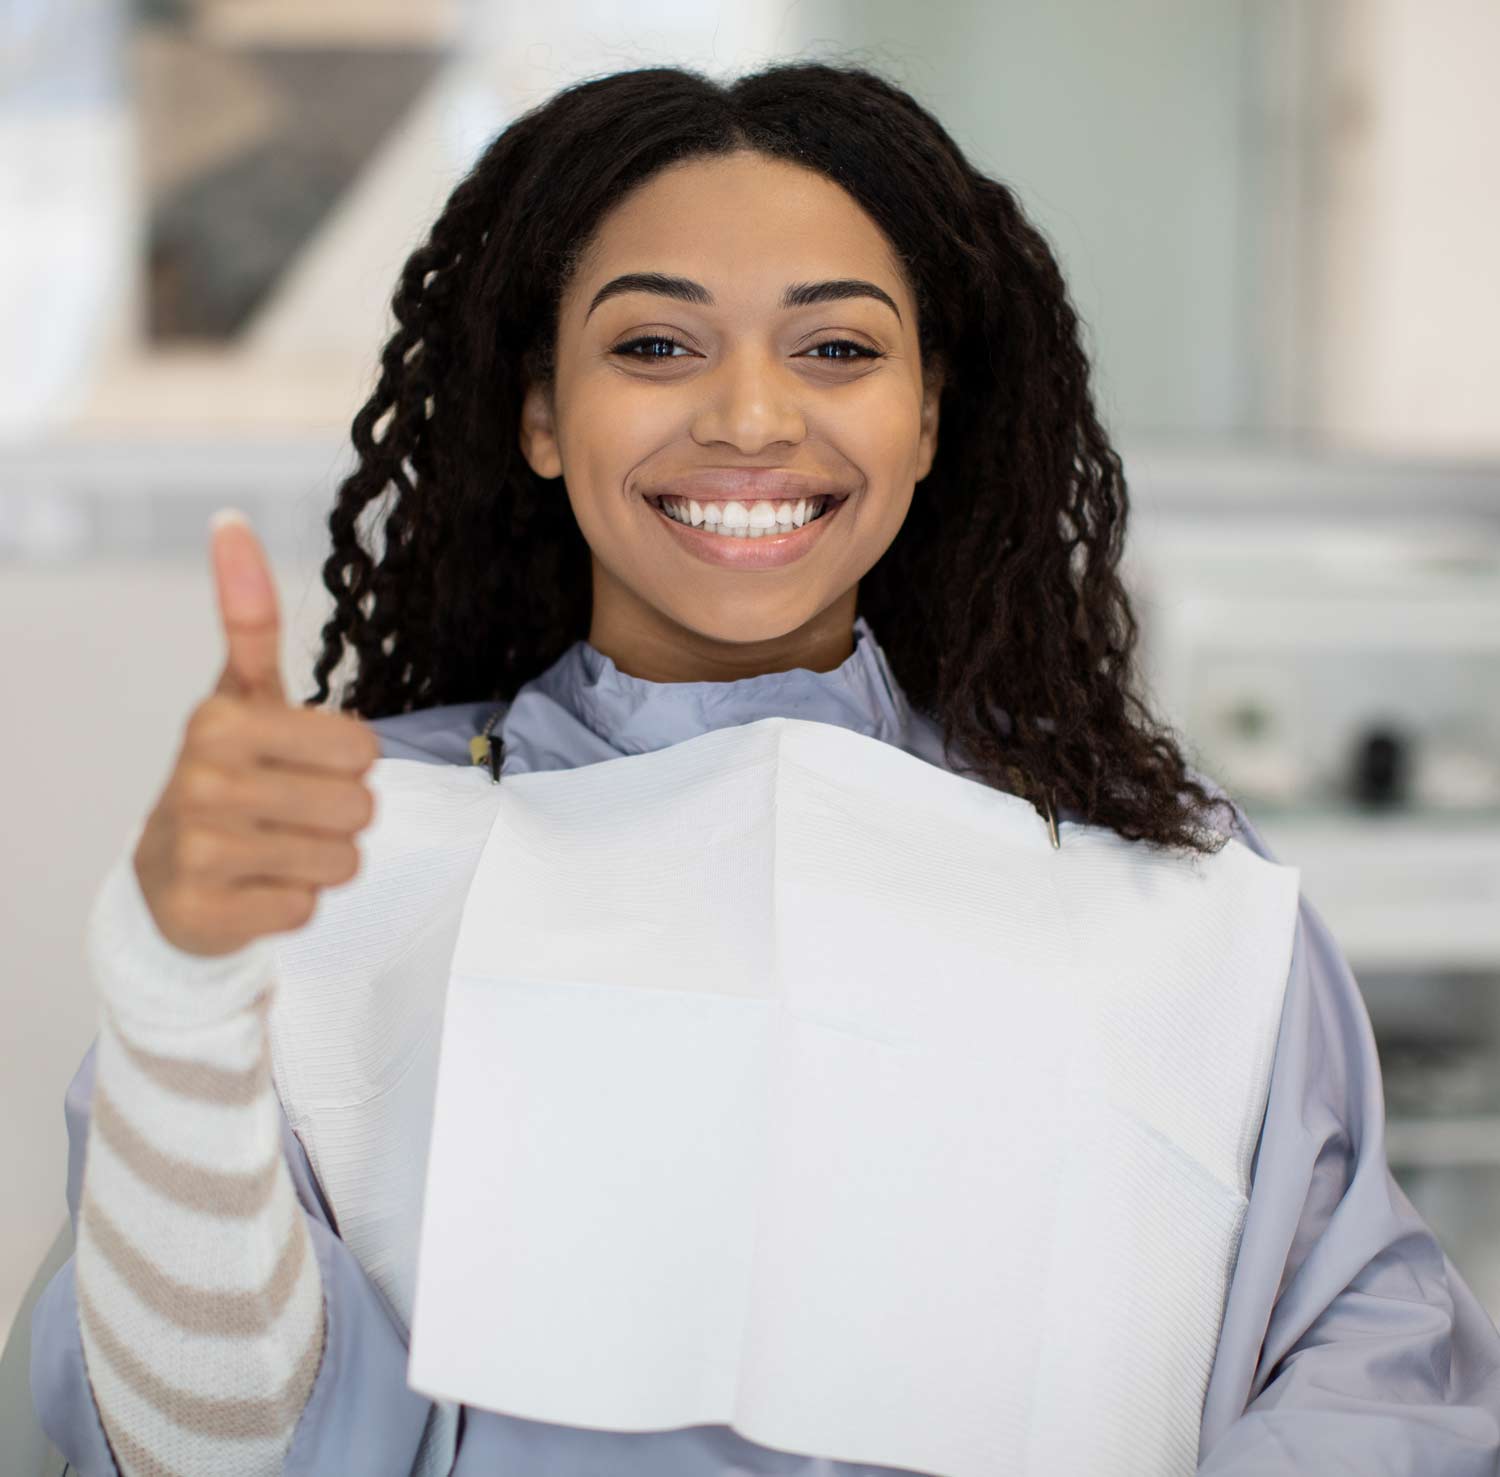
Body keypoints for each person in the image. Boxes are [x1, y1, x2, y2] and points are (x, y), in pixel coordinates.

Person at [30, 59, 1500, 1477]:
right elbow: (204, 1445)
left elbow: (1373, 1374)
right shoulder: (344, 860)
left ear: (930, 416)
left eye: (839, 348)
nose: (748, 416)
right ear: (543, 412)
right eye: (655, 344)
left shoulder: (1165, 892)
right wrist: (180, 986)